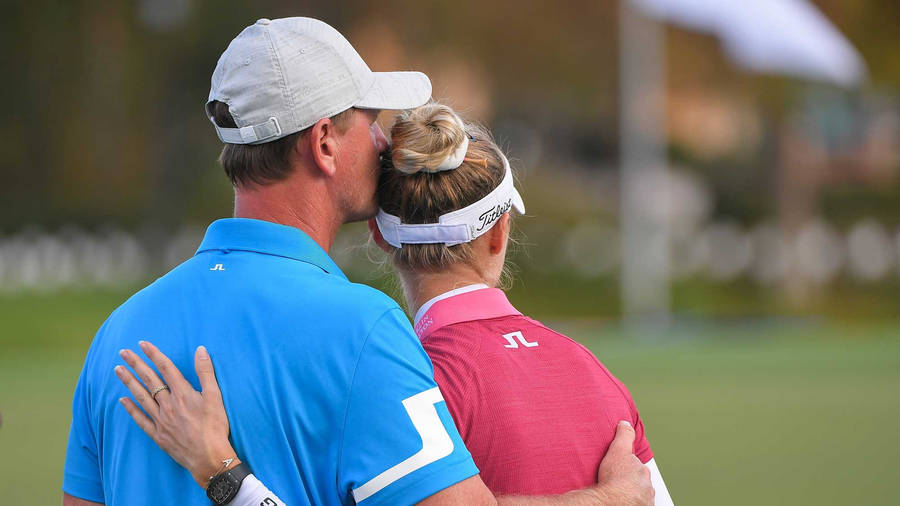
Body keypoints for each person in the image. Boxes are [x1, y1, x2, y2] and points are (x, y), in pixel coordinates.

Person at [63, 17, 652, 506]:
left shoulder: (117, 334)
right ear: (324, 142)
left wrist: (227, 478)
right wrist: (614, 499)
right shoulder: (361, 328)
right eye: (369, 121)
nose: (381, 143)